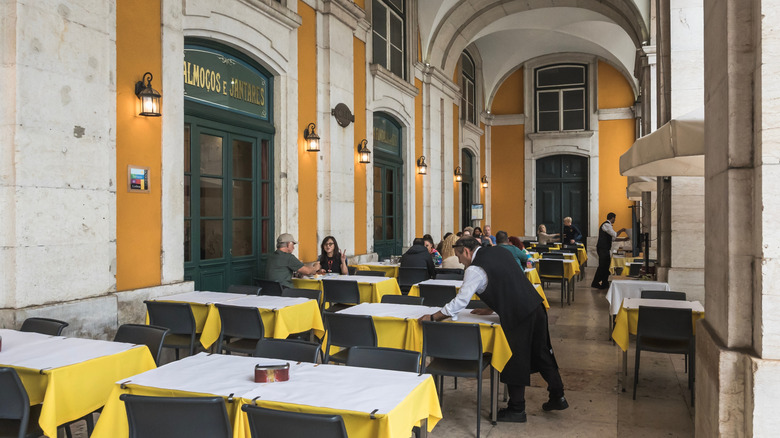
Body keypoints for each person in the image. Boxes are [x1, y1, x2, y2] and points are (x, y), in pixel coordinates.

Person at [418, 237, 567, 423]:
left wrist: (434, 317)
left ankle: (517, 409)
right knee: (543, 352)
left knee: (514, 359)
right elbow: (508, 281)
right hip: (535, 306)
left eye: (458, 256)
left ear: (466, 251)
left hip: (518, 315)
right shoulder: (499, 251)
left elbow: (460, 302)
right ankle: (558, 395)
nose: (459, 261)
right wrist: (493, 307)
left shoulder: (474, 269)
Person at [591, 212, 629, 289]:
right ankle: (595, 282)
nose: (615, 220)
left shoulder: (608, 226)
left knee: (606, 266)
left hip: (604, 249)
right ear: (612, 218)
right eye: (615, 218)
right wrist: (621, 230)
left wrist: (624, 239)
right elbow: (614, 234)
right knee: (602, 266)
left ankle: (605, 283)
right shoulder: (606, 225)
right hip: (603, 248)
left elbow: (613, 238)